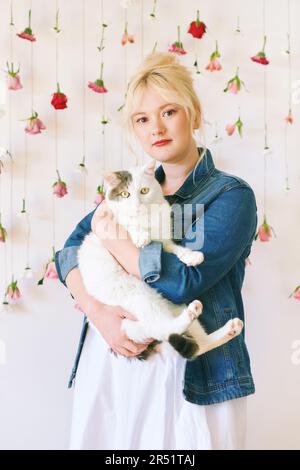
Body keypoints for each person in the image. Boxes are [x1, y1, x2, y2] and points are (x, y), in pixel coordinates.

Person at [55, 51, 257, 450]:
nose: (156, 129)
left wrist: (116, 242)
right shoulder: (129, 188)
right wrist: (99, 314)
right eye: (142, 120)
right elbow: (67, 254)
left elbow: (183, 283)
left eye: (169, 112)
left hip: (194, 379)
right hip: (113, 364)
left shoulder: (231, 196)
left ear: (194, 114)